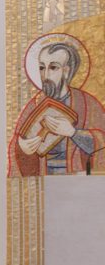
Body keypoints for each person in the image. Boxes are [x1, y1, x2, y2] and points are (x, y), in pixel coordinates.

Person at [9, 40, 105, 176]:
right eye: (42, 68)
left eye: (53, 67)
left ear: (66, 71)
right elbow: (16, 142)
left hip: (78, 176)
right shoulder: (34, 104)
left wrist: (73, 133)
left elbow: (102, 141)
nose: (45, 75)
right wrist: (21, 148)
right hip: (44, 176)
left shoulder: (87, 103)